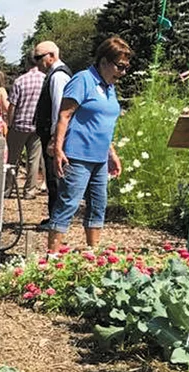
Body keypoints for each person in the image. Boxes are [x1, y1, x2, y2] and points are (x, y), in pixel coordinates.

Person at [47, 36, 131, 251]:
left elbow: (103, 122)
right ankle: (52, 255)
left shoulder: (109, 86)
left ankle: (92, 253)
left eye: (126, 67)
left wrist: (111, 153)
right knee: (68, 203)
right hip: (77, 154)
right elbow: (64, 115)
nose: (122, 72)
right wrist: (58, 150)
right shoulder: (83, 80)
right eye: (119, 67)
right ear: (104, 61)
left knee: (98, 205)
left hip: (100, 157)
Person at [33, 42, 72, 228]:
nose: (37, 63)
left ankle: (57, 220)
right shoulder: (53, 76)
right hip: (52, 135)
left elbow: (59, 109)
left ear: (51, 56)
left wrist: (55, 139)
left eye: (38, 58)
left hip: (54, 137)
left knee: (55, 177)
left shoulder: (58, 77)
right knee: (52, 178)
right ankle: (55, 217)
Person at [6, 61, 46, 198]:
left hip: (19, 124)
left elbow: (12, 105)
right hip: (37, 126)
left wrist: (9, 124)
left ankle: (8, 189)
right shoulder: (45, 79)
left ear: (27, 64)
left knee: (12, 159)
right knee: (33, 160)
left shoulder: (20, 81)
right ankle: (29, 191)